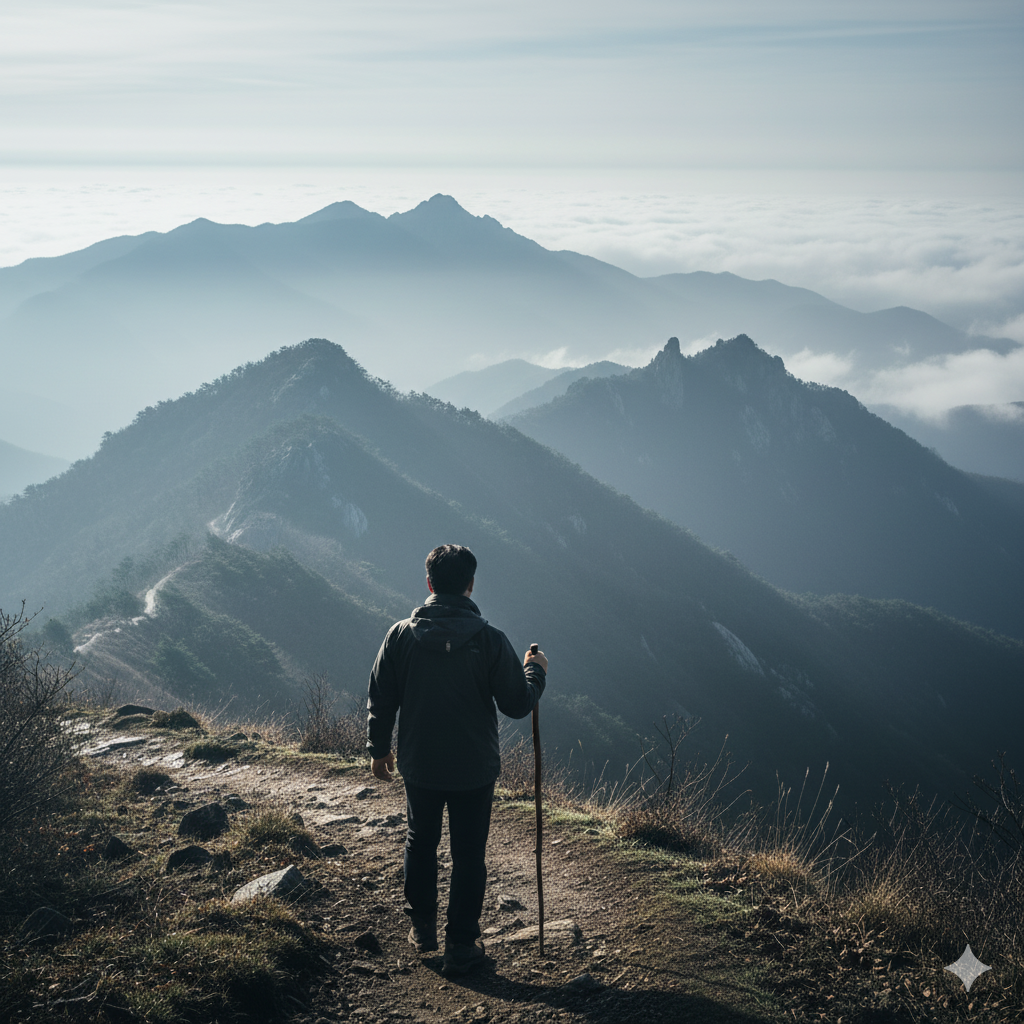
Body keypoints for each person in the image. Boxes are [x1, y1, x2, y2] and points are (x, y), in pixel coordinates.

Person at [366, 544, 547, 976]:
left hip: (420, 763)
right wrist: (535, 670)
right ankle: (461, 945)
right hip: (474, 768)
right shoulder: (489, 640)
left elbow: (380, 698)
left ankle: (422, 929)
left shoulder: (400, 636)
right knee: (469, 855)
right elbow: (518, 705)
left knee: (419, 840)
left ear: (429, 584)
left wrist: (378, 749)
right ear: (470, 585)